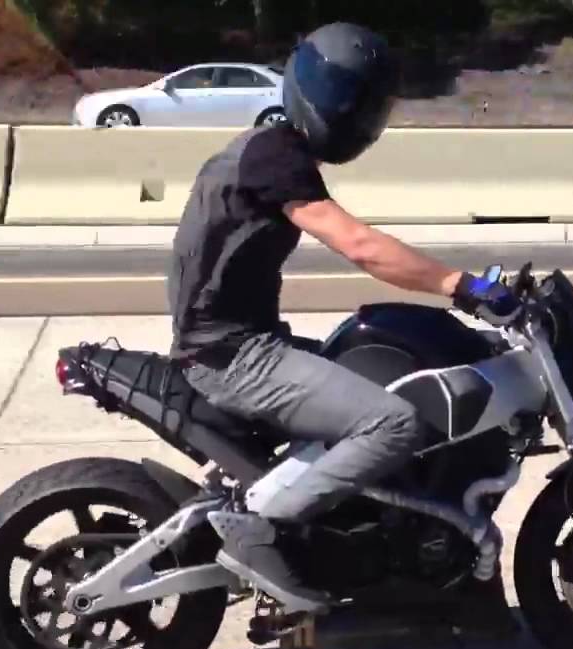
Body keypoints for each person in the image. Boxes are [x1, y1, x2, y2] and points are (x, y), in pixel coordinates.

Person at [166, 22, 519, 612]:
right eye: (346, 98)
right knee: (394, 424)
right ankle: (263, 533)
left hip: (242, 342)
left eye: (367, 105)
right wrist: (463, 286)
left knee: (388, 371)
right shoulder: (274, 157)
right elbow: (359, 245)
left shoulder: (272, 148)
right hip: (231, 356)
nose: (355, 115)